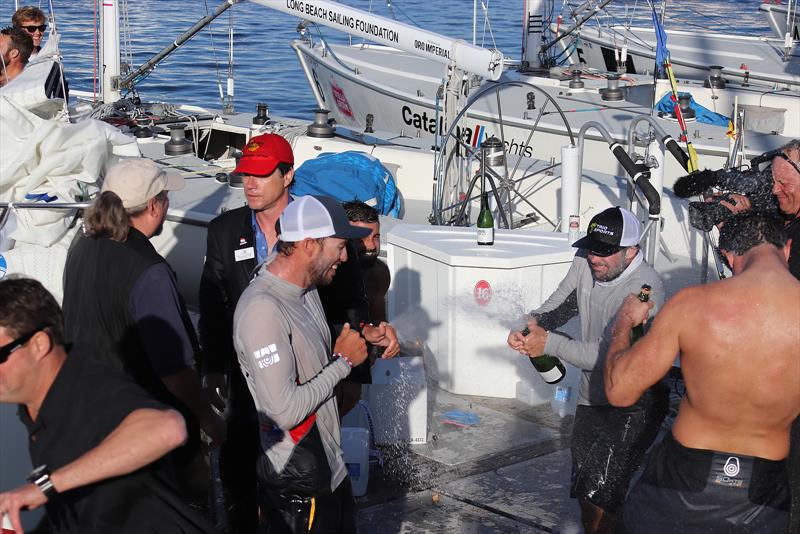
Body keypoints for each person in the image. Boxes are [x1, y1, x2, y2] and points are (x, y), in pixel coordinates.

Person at [605, 213, 800, 533]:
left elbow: (619, 389)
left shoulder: (693, 304)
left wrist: (623, 324)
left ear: (729, 255)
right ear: (788, 248)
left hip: (683, 480)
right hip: (764, 490)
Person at [62, 158, 225, 500]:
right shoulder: (149, 271)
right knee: (181, 512)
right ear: (153, 206)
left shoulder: (82, 246)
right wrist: (207, 418)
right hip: (145, 425)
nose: (168, 204)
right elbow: (174, 369)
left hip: (89, 412)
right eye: (165, 197)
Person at [0, 277, 214, 534]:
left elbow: (168, 428)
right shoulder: (35, 407)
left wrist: (45, 486)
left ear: (39, 344)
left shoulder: (89, 386)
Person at [507, 206, 668, 534]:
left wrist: (548, 344)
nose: (595, 258)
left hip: (634, 406)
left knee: (606, 498)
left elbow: (609, 358)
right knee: (585, 490)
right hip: (590, 397)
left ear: (631, 250)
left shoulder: (645, 290)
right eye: (592, 247)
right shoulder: (585, 258)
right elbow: (563, 301)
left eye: (606, 252)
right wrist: (532, 324)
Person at [234, 195, 382, 533]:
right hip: (297, 487)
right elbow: (283, 410)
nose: (345, 257)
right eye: (340, 246)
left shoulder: (306, 289)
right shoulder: (263, 310)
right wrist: (344, 361)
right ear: (310, 244)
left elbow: (309, 346)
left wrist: (363, 338)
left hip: (329, 469)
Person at [199, 132, 296, 532]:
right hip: (242, 374)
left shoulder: (315, 222)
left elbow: (345, 298)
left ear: (287, 176)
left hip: (300, 371)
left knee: (298, 467)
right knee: (238, 463)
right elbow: (213, 302)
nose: (249, 184)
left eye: (260, 174)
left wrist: (353, 376)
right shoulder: (224, 230)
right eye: (245, 175)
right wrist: (212, 367)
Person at [720, 139, 800, 533]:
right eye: (773, 182)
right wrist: (746, 227)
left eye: (784, 183)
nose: (774, 190)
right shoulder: (786, 220)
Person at [318, 200, 398, 417]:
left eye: (376, 237)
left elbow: (377, 317)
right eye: (362, 238)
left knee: (351, 397)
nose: (371, 246)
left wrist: (380, 340)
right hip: (327, 346)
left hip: (358, 342)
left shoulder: (379, 272)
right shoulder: (326, 272)